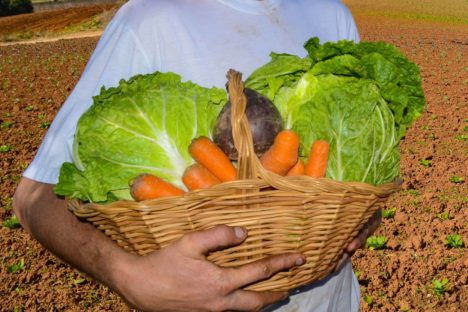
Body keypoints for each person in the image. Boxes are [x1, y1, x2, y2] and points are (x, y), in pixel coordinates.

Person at [13, 0, 381, 311]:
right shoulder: (150, 19)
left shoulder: (330, 12)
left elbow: (348, 162)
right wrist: (129, 277)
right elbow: (34, 197)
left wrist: (363, 212)